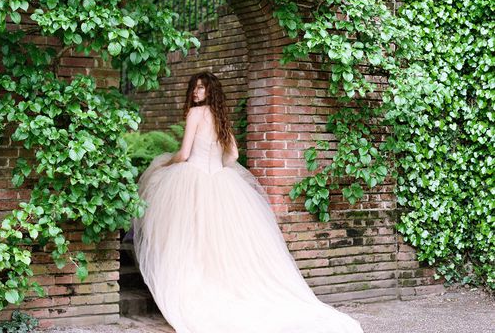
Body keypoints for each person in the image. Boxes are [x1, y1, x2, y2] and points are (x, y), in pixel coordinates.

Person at [133, 71, 364, 333]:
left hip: (192, 178)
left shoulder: (195, 114)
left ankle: (193, 287)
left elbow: (185, 153)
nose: (196, 92)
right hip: (220, 181)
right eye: (195, 88)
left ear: (209, 91)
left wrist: (167, 162)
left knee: (191, 236)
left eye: (201, 88)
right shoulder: (221, 117)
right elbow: (233, 155)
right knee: (218, 240)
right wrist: (217, 168)